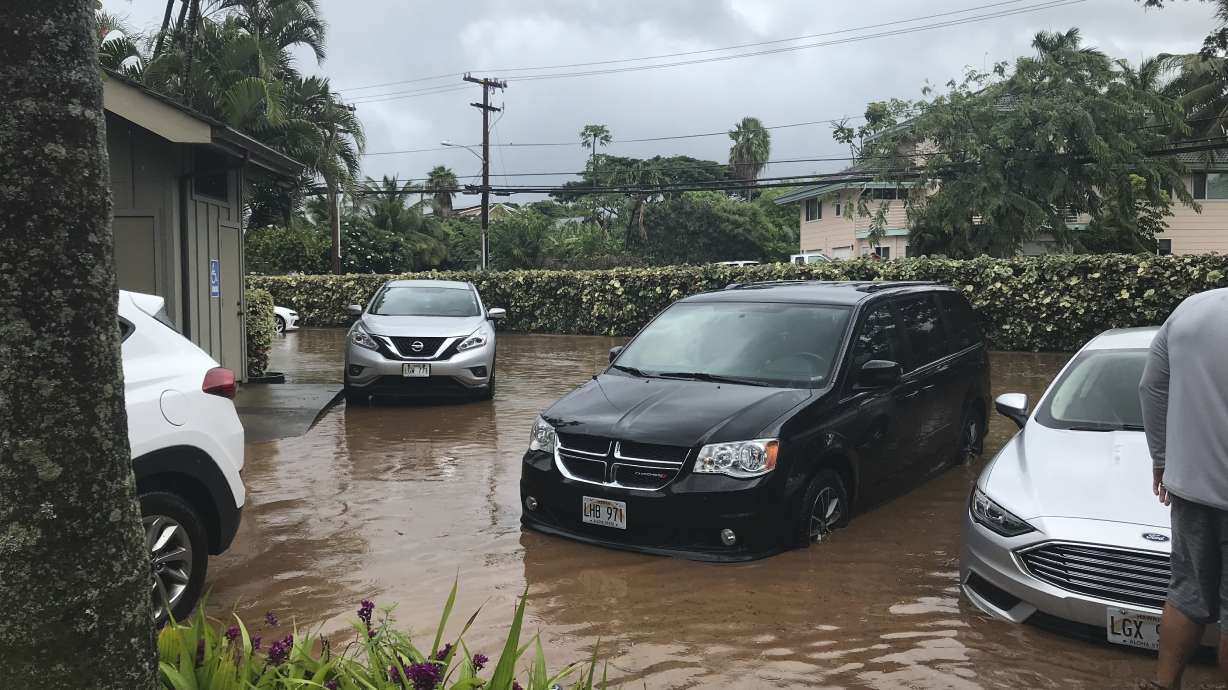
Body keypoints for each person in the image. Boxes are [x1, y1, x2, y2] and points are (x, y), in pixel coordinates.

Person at [1139, 287, 1228, 688]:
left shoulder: (1192, 309)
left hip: (1192, 489)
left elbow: (1151, 387)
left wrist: (1161, 458)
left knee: (1186, 595)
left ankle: (1164, 684)